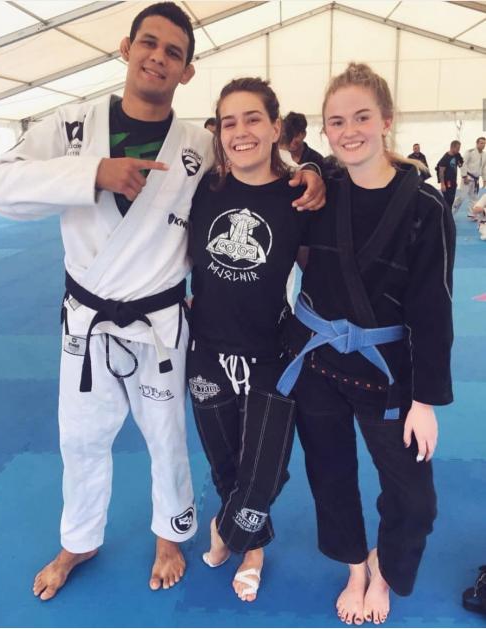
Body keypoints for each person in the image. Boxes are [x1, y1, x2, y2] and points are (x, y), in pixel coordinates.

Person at [0, 1, 325, 601]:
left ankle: (172, 533)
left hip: (161, 320)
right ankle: (79, 540)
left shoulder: (198, 142)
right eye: (149, 42)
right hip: (87, 319)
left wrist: (309, 170)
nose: (158, 57)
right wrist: (92, 173)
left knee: (166, 437)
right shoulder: (71, 126)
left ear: (186, 72)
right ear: (126, 47)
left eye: (174, 52)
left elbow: (259, 160)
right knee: (80, 438)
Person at [278, 62, 455, 625]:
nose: (349, 130)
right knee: (329, 475)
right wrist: (309, 167)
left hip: (387, 373)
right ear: (324, 131)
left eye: (361, 117)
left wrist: (425, 400)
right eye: (337, 121)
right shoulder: (319, 193)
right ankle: (356, 567)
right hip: (317, 363)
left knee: (415, 500)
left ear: (386, 120)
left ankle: (385, 570)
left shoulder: (425, 206)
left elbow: (433, 308)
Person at [187, 78, 310, 602]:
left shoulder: (299, 197)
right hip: (206, 350)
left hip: (271, 354)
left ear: (276, 127)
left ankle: (230, 532)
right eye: (229, 122)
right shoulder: (203, 191)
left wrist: (316, 170)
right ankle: (253, 549)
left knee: (267, 470)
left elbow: (321, 274)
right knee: (225, 465)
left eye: (253, 118)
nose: (240, 131)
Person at [452, 137, 486, 217]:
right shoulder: (470, 152)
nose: (483, 145)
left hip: (476, 179)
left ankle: (471, 214)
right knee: (462, 197)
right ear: (477, 143)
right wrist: (464, 176)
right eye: (481, 143)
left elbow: (484, 168)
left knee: (474, 198)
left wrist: (484, 179)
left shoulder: (484, 155)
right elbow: (463, 164)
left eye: (484, 143)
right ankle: (451, 212)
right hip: (468, 178)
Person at [437, 140, 463, 210]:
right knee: (447, 200)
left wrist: (460, 162)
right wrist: (442, 184)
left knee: (451, 200)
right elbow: (441, 172)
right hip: (447, 182)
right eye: (457, 148)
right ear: (452, 147)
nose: (459, 150)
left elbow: (461, 164)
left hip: (453, 181)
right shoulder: (445, 158)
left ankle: (449, 214)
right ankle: (446, 214)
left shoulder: (457, 155)